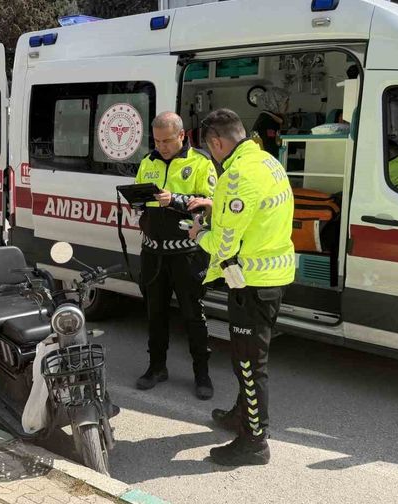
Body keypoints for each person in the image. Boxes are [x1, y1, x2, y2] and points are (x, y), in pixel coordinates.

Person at [188, 108, 295, 466]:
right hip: (273, 275)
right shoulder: (265, 161)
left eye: (210, 148)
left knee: (248, 364)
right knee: (250, 360)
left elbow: (223, 246)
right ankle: (242, 415)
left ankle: (254, 441)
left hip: (251, 281)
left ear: (217, 143)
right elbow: (253, 212)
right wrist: (213, 204)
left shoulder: (236, 177)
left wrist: (200, 232)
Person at [134, 111, 218, 400]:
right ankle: (156, 367)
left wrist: (176, 200)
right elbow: (141, 196)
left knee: (193, 315)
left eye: (167, 140)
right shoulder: (148, 161)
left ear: (182, 135)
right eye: (157, 141)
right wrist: (136, 202)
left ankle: (202, 374)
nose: (162, 146)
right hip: (153, 252)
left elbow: (211, 204)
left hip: (188, 254)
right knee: (154, 314)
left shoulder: (200, 162)